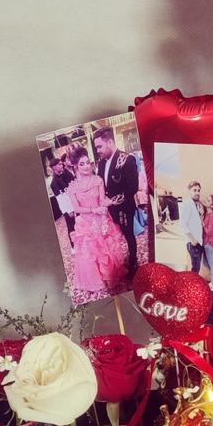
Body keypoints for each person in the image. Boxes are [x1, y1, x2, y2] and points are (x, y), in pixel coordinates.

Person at [68, 147, 128, 297]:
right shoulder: (73, 187)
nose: (87, 166)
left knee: (106, 249)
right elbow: (77, 208)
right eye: (82, 164)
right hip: (86, 223)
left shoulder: (98, 180)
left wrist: (107, 205)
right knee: (90, 253)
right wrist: (94, 210)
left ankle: (109, 277)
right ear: (76, 166)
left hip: (101, 219)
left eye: (88, 162)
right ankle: (96, 280)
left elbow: (102, 200)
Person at [93, 126, 141, 279]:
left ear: (110, 142)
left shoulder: (126, 159)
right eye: (96, 148)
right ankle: (116, 264)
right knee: (112, 237)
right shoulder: (101, 163)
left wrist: (111, 201)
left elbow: (132, 188)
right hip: (108, 209)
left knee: (128, 235)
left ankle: (133, 262)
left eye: (99, 146)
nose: (98, 151)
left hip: (124, 208)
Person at [45, 153, 75, 243]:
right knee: (71, 226)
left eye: (61, 163)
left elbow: (74, 181)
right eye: (59, 164)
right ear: (54, 167)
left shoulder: (66, 173)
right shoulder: (53, 183)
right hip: (67, 208)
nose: (62, 165)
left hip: (75, 202)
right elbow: (61, 200)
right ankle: (73, 245)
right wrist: (69, 210)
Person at [179, 179, 205, 274]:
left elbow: (197, 223)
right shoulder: (187, 205)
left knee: (197, 267)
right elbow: (182, 224)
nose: (197, 192)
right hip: (192, 242)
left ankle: (193, 282)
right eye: (194, 190)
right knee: (195, 268)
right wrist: (193, 239)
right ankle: (191, 283)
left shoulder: (197, 205)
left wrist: (201, 215)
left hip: (199, 241)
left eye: (198, 190)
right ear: (189, 191)